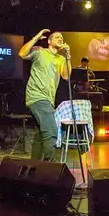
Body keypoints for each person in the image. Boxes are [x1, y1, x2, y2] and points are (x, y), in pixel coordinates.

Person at [19, 29, 70, 161]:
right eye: (57, 37)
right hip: (37, 96)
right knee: (51, 132)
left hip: (48, 99)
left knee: (40, 135)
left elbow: (66, 76)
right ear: (49, 41)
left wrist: (68, 56)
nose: (60, 39)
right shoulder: (40, 51)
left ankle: (34, 166)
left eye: (62, 37)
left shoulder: (61, 58)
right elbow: (22, 53)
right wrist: (36, 36)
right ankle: (50, 167)